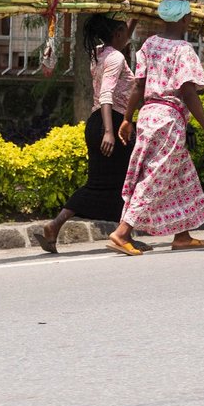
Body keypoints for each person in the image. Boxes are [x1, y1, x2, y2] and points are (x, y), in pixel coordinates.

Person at [107, 0, 204, 255]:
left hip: (148, 116)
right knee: (155, 175)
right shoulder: (183, 50)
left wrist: (127, 119)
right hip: (168, 120)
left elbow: (139, 85)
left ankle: (182, 235)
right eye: (189, 15)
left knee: (182, 175)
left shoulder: (150, 44)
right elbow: (189, 92)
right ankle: (123, 232)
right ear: (184, 18)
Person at [34, 14, 142, 253]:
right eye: (124, 32)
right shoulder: (114, 57)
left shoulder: (101, 52)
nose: (128, 36)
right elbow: (106, 95)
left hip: (96, 123)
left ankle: (123, 234)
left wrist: (133, 17)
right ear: (116, 35)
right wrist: (109, 132)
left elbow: (122, 39)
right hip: (109, 122)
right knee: (116, 183)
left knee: (118, 183)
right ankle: (57, 225)